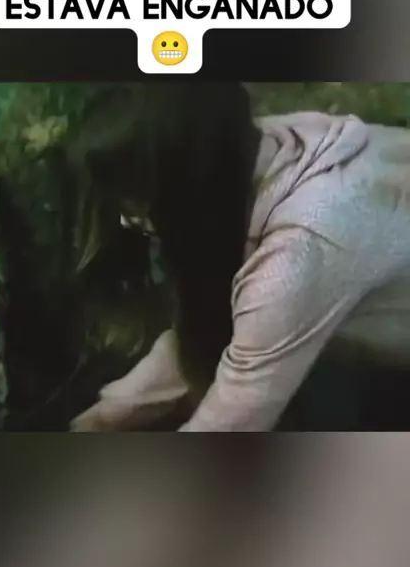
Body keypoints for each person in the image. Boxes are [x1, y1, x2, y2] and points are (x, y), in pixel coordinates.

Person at [70, 82, 410, 432]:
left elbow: (231, 421)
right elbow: (207, 320)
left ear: (185, 185)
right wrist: (106, 414)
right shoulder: (247, 151)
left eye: (136, 203)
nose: (126, 221)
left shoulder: (302, 247)